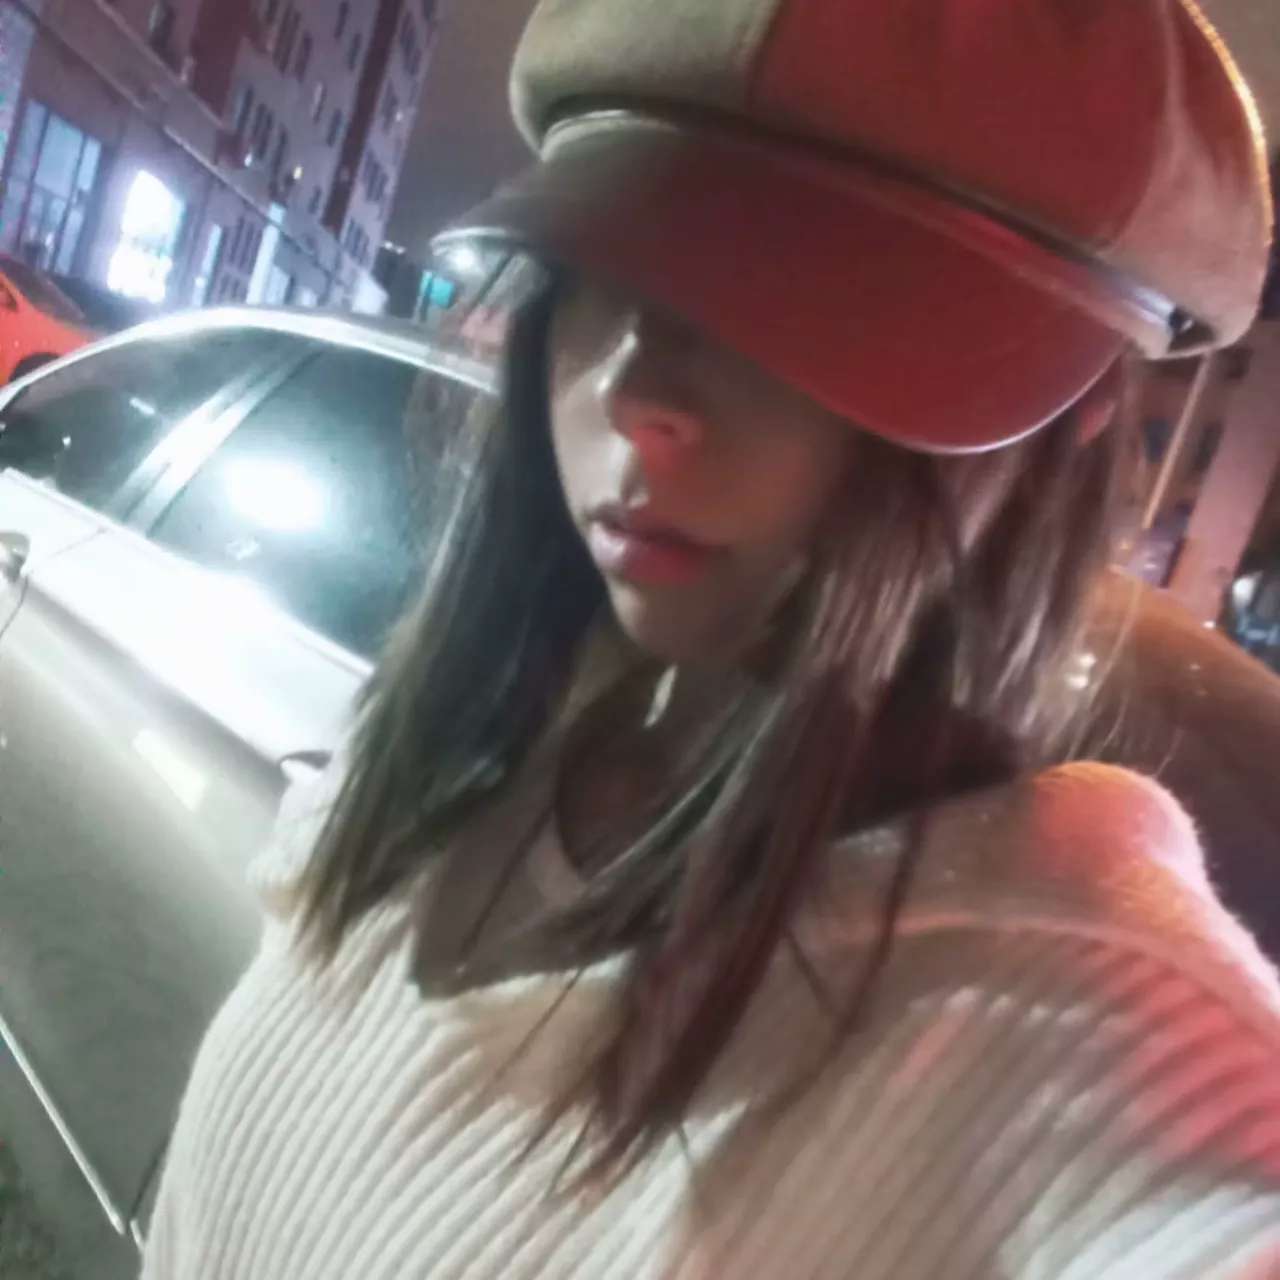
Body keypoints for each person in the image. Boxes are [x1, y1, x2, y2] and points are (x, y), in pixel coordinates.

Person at [143, 1, 1280, 1275]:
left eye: (801, 301)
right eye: (607, 269)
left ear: (1067, 412)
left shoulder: (1091, 1056)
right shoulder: (453, 743)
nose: (636, 392)